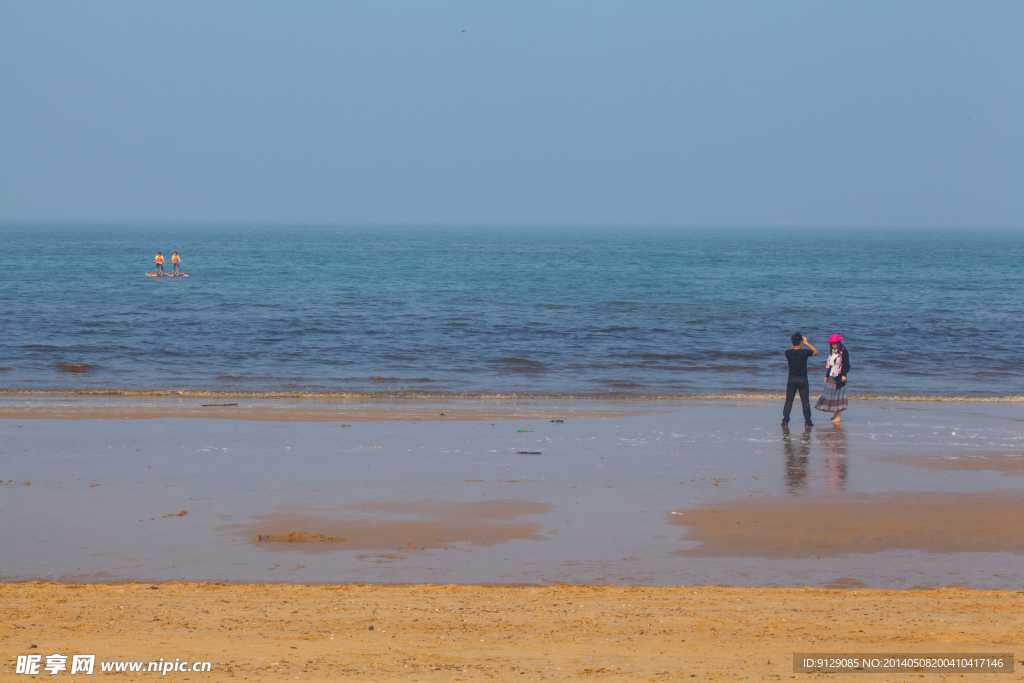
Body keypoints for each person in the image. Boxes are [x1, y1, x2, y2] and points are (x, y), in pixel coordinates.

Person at [782, 331, 817, 427]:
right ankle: (808, 421)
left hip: (792, 379)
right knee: (805, 401)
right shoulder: (805, 352)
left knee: (789, 400)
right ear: (801, 342)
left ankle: (785, 421)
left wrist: (795, 343)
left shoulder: (788, 352)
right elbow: (815, 351)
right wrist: (806, 343)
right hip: (803, 379)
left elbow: (790, 349)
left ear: (792, 342)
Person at [815, 334, 850, 422]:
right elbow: (831, 365)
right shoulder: (833, 352)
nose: (833, 345)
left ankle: (838, 416)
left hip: (839, 376)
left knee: (838, 395)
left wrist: (844, 375)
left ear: (838, 343)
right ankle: (835, 414)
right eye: (831, 344)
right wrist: (826, 376)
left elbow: (847, 365)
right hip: (832, 375)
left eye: (834, 343)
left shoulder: (843, 351)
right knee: (832, 395)